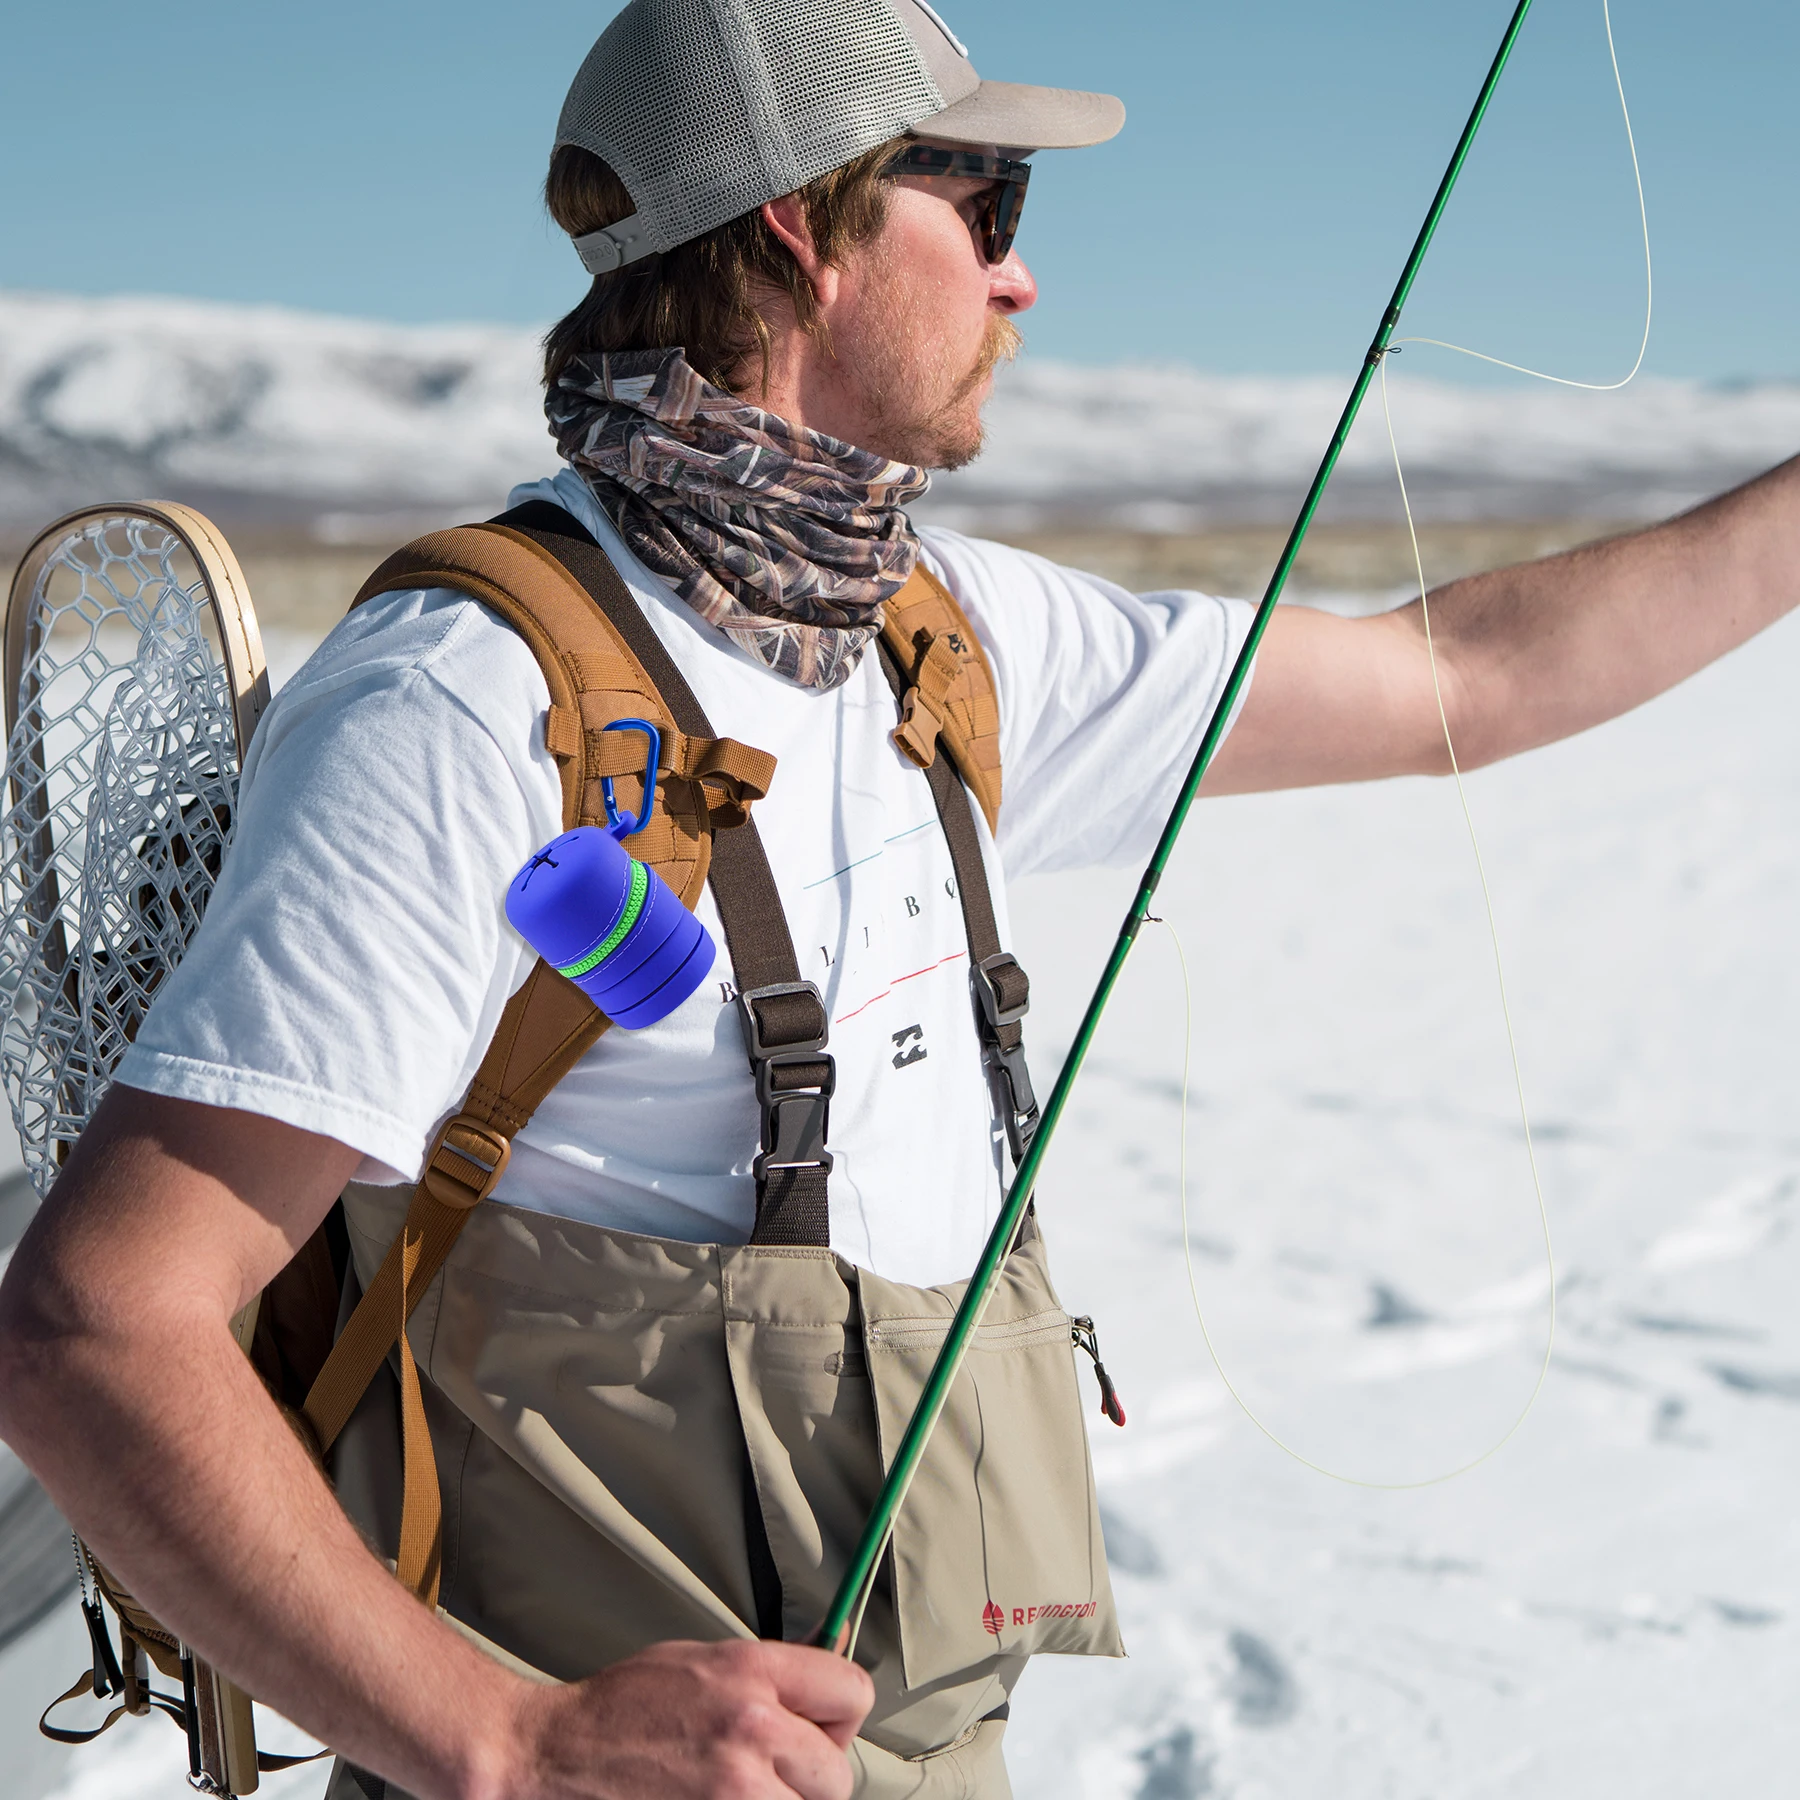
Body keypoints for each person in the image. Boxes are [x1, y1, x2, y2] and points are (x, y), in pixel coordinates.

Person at [2, 2, 1797, 1797]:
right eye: (987, 206)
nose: (1023, 286)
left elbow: (1452, 683)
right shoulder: (460, 702)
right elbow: (99, 1326)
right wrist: (508, 1740)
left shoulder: (948, 638)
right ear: (805, 226)